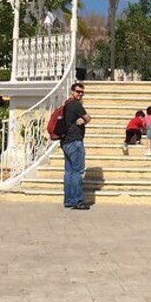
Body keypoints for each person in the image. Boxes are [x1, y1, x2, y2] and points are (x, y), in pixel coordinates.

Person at [62, 82, 91, 210]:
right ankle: (77, 201)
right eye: (78, 91)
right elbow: (88, 117)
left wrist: (83, 120)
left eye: (82, 92)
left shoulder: (67, 104)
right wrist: (85, 119)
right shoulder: (76, 104)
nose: (80, 94)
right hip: (74, 142)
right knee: (77, 172)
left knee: (68, 172)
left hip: (65, 141)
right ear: (72, 91)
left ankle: (68, 200)